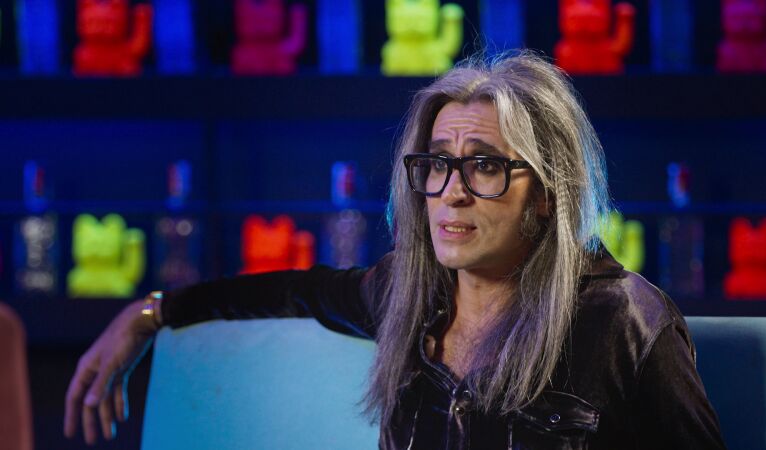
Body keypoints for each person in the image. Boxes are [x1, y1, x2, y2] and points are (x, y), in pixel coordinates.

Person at [64, 51, 726, 449]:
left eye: (485, 166)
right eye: (437, 164)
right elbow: (289, 290)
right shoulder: (406, 293)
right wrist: (151, 312)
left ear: (548, 193)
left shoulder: (625, 322)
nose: (451, 193)